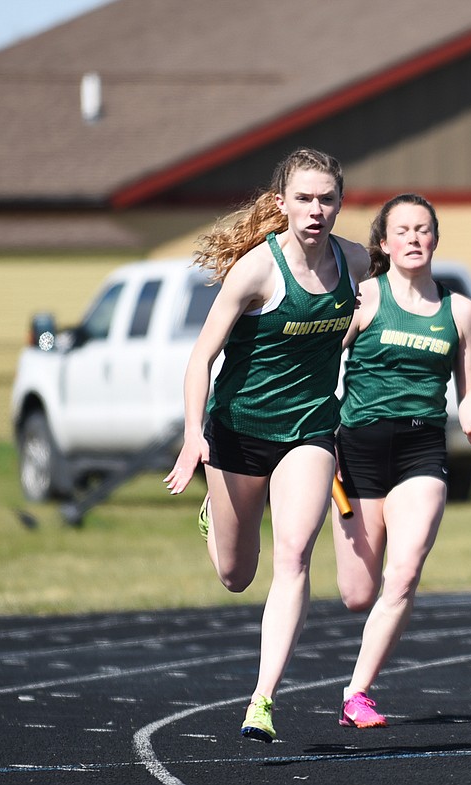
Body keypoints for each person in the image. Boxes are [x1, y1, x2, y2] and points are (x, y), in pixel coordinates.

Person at [163, 148, 370, 742]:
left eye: (326, 199)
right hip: (238, 431)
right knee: (235, 574)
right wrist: (193, 435)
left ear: (338, 204)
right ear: (281, 204)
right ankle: (215, 516)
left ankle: (262, 699)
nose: (315, 210)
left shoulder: (353, 260)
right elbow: (201, 356)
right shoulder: (257, 269)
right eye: (303, 198)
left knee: (296, 553)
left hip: (309, 430)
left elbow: (391, 293)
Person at [331, 193, 471, 729]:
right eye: (402, 230)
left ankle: (358, 693)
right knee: (358, 595)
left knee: (402, 576)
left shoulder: (461, 311)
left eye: (423, 229)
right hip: (357, 451)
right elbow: (324, 361)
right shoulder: (364, 299)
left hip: (422, 449)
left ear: (435, 239)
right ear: (384, 242)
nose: (414, 239)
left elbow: (468, 388)